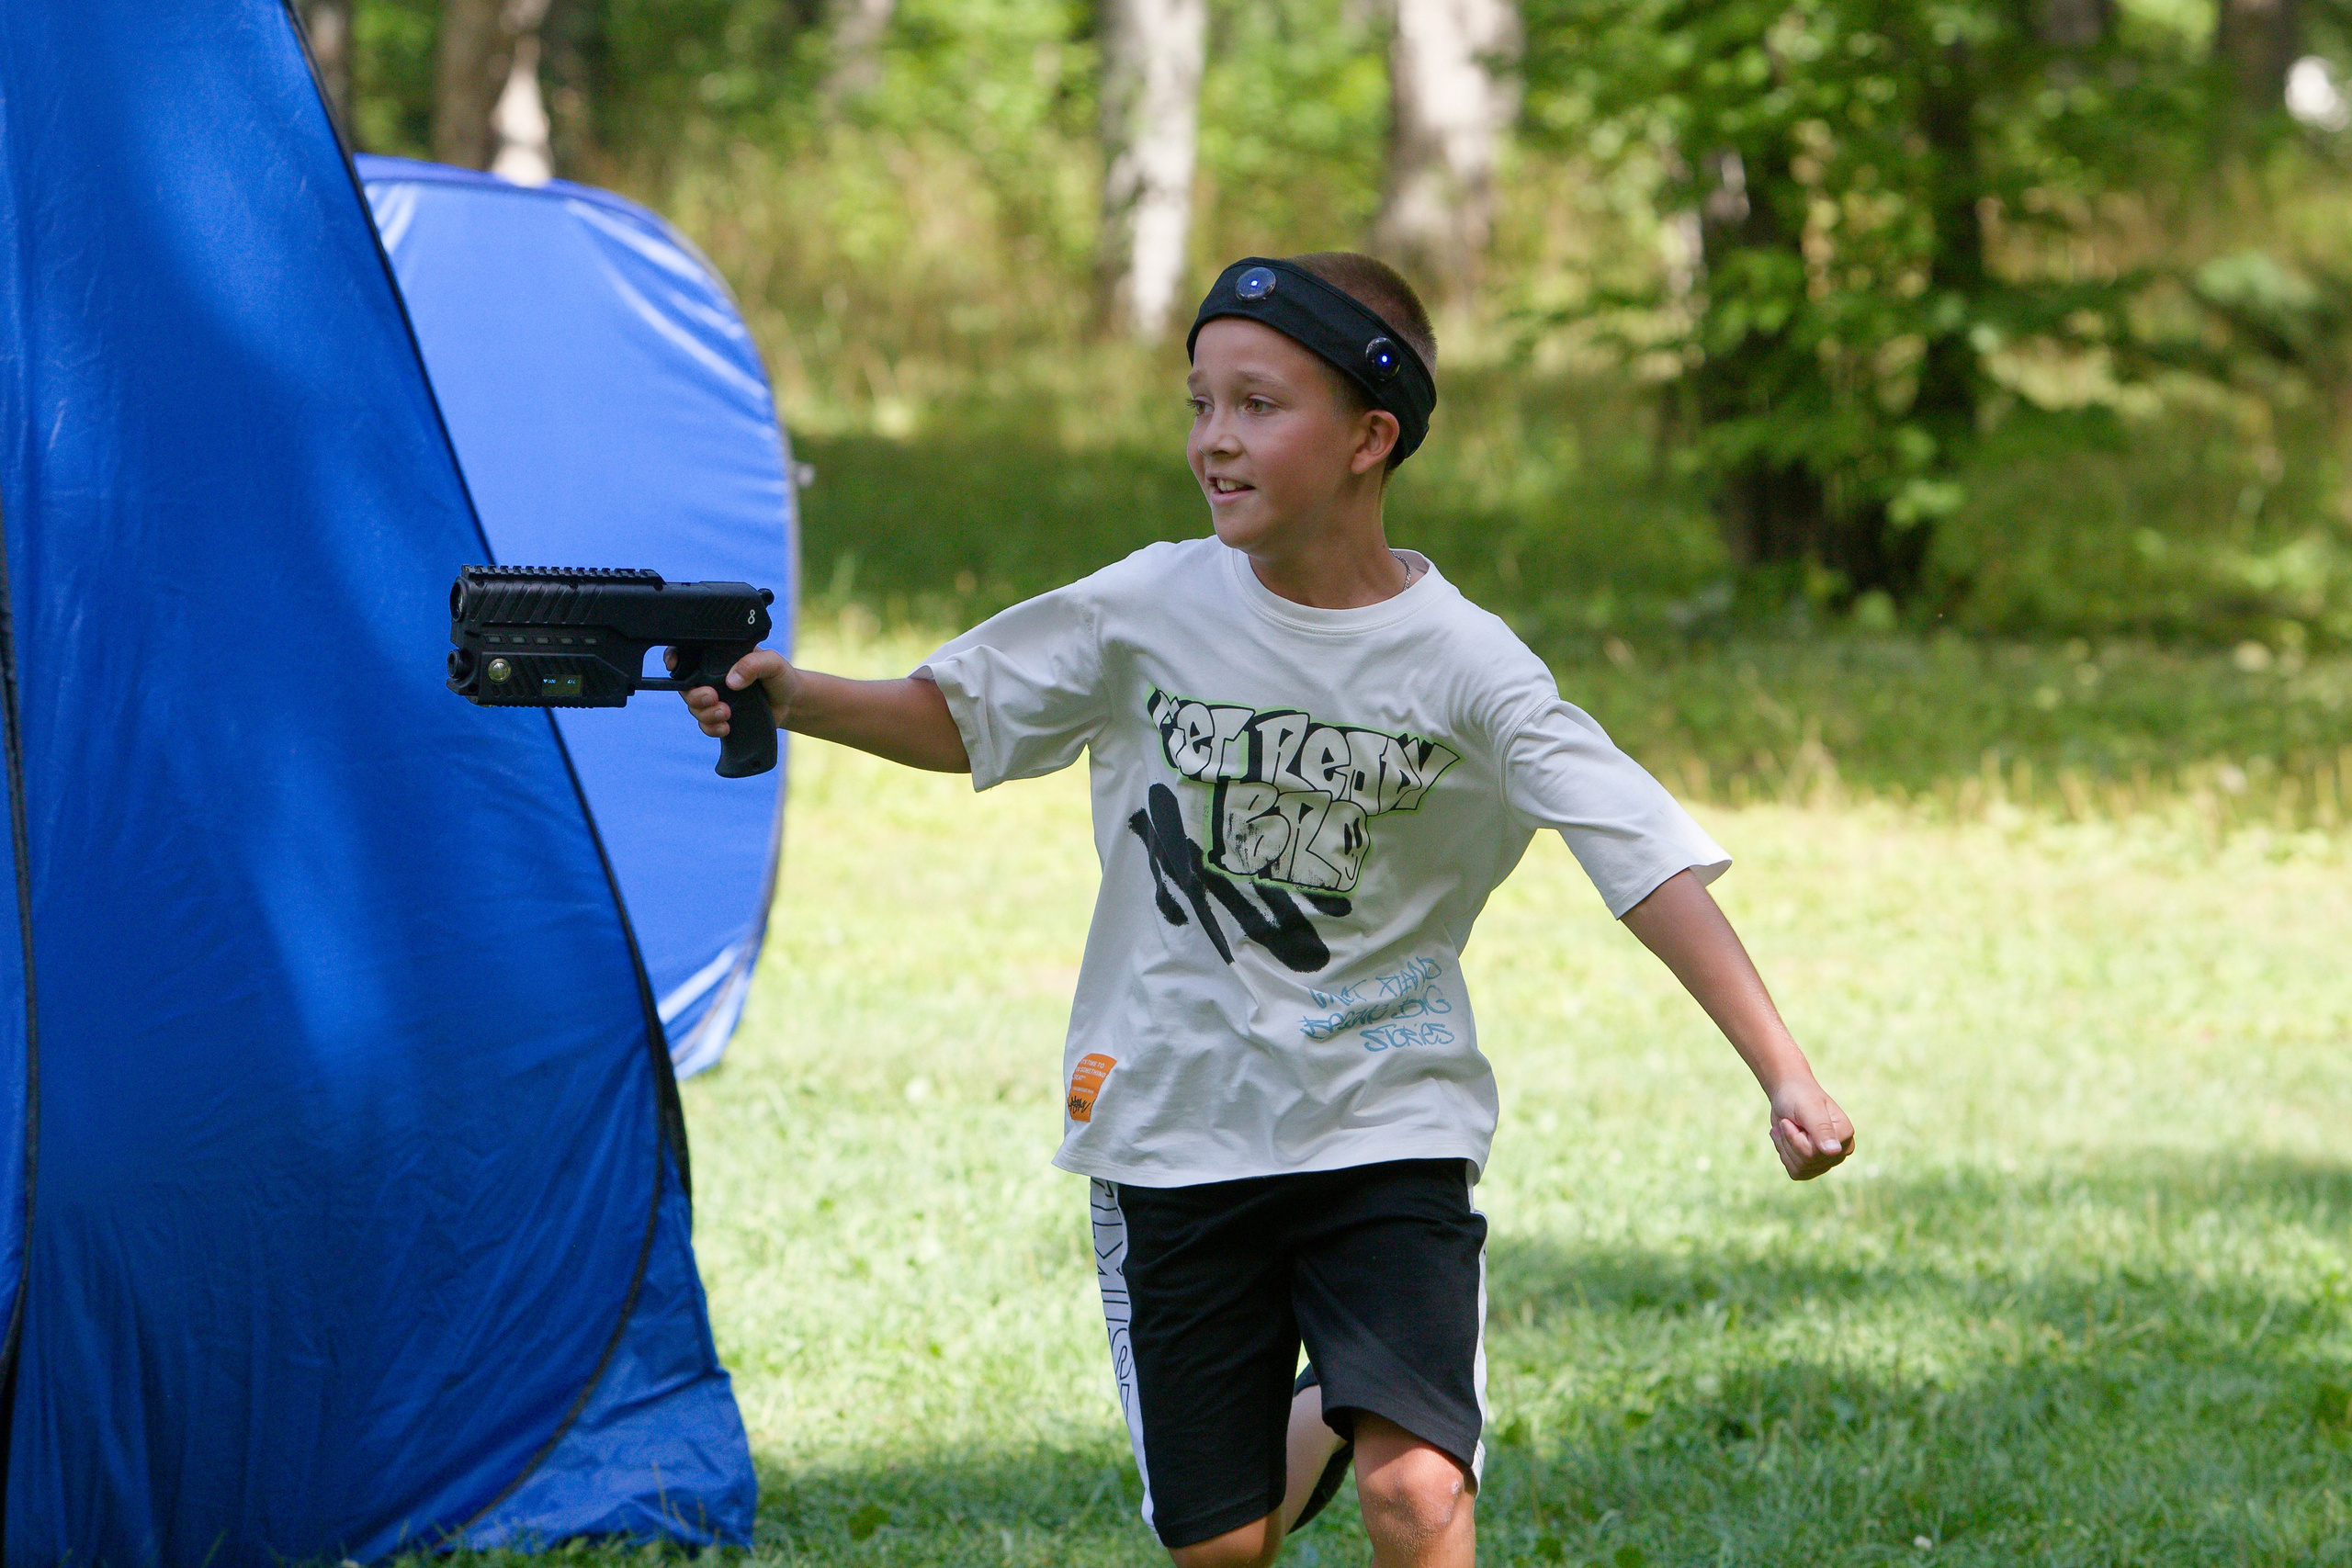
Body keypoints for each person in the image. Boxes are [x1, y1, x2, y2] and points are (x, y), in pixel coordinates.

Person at [680, 253, 1856, 1568]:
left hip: (1385, 1114)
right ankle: (1344, 1404)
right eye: (1199, 405)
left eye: (1257, 405)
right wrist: (796, 696)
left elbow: (1639, 858)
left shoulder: (1467, 664)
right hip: (1172, 1121)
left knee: (1420, 1494)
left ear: (1372, 436)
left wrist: (1784, 1072)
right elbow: (960, 715)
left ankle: (1381, 1406)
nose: (1214, 440)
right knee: (1223, 1549)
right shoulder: (1148, 605)